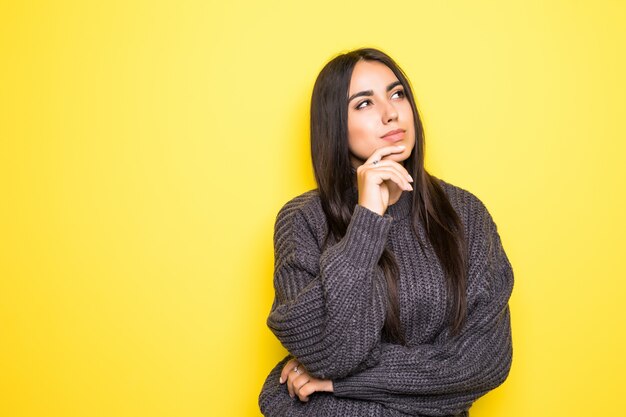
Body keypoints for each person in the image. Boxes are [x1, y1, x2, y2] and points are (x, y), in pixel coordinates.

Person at [258, 47, 514, 417]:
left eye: (397, 94)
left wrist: (340, 384)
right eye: (363, 103)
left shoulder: (464, 214)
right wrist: (367, 222)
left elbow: (483, 360)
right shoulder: (303, 220)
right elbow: (329, 351)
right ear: (334, 125)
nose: (390, 112)